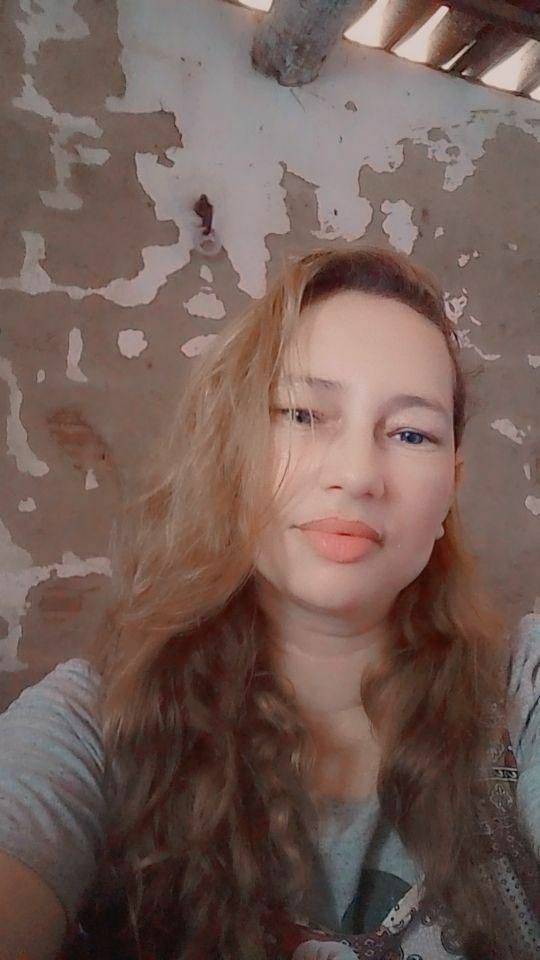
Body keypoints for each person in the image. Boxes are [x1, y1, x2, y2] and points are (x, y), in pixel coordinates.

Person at [0, 246, 538, 960]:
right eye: (304, 414)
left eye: (411, 433)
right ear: (234, 451)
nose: (357, 474)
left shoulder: (521, 694)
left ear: (451, 488)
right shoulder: (94, 726)